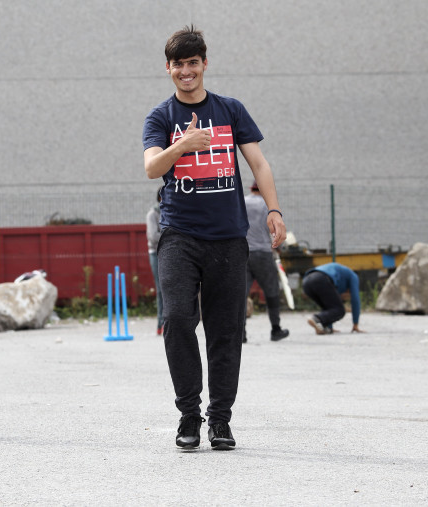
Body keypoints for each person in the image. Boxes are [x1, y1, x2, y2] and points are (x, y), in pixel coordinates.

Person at [142, 26, 286, 450]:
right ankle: (189, 415)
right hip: (179, 237)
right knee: (179, 320)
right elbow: (152, 168)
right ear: (168, 68)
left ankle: (219, 421)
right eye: (178, 65)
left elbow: (259, 164)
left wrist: (274, 210)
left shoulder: (230, 109)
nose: (186, 71)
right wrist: (183, 144)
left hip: (228, 238)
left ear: (204, 63)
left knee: (226, 330)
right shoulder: (161, 117)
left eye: (193, 63)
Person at [243, 180, 289, 343]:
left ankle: (241, 332)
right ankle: (275, 329)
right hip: (263, 252)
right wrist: (279, 247)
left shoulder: (243, 202)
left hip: (244, 252)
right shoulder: (267, 205)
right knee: (271, 291)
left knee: (242, 293)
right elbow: (276, 229)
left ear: (251, 189)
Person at [301, 263, 365, 334]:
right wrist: (355, 324)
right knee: (340, 310)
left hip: (306, 282)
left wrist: (330, 327)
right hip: (321, 278)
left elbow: (330, 307)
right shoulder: (353, 276)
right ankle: (317, 318)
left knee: (330, 308)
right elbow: (355, 299)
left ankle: (323, 326)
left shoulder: (340, 276)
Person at [145, 187, 164, 335]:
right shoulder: (153, 214)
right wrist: (170, 235)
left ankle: (168, 322)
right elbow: (153, 236)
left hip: (170, 252)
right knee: (161, 289)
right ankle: (160, 324)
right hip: (156, 254)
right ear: (160, 199)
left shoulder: (172, 213)